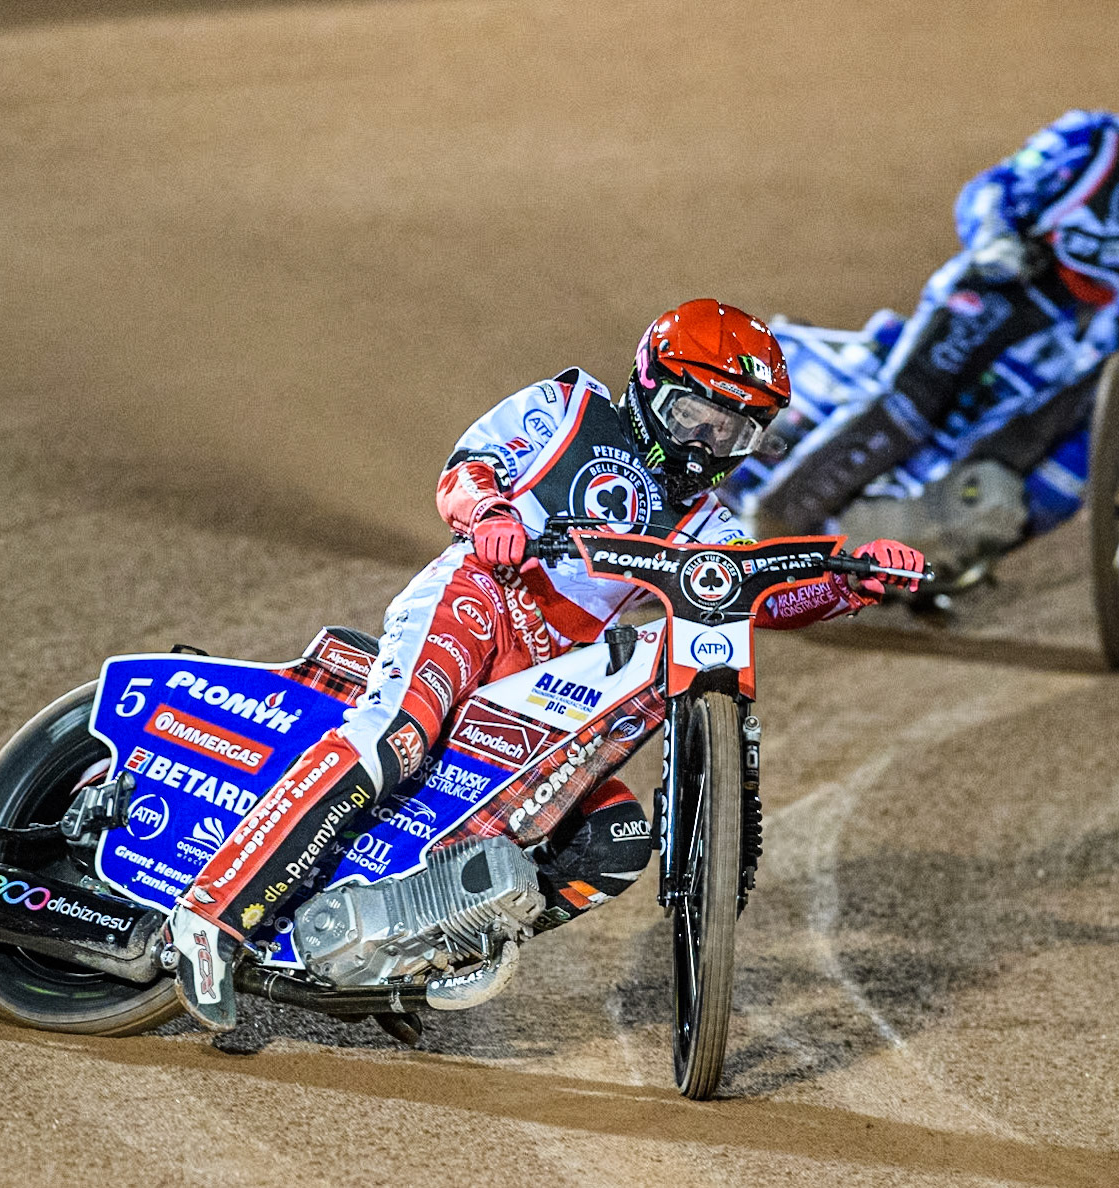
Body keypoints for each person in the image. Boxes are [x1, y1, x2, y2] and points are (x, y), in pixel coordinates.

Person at [166, 299, 926, 1030]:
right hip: (475, 599)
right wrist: (490, 515)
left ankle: (413, 951)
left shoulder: (708, 525)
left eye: (732, 432)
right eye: (695, 416)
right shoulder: (565, 407)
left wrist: (845, 583)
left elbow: (754, 598)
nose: (705, 443)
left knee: (616, 838)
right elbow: (469, 468)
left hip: (542, 677)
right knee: (395, 736)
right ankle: (212, 916)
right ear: (651, 387)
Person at [747, 45, 1119, 539]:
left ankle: (943, 543)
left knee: (1055, 453)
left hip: (1089, 342)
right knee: (912, 401)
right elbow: (995, 187)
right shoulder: (1095, 141)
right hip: (1011, 291)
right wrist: (995, 239)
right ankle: (776, 521)